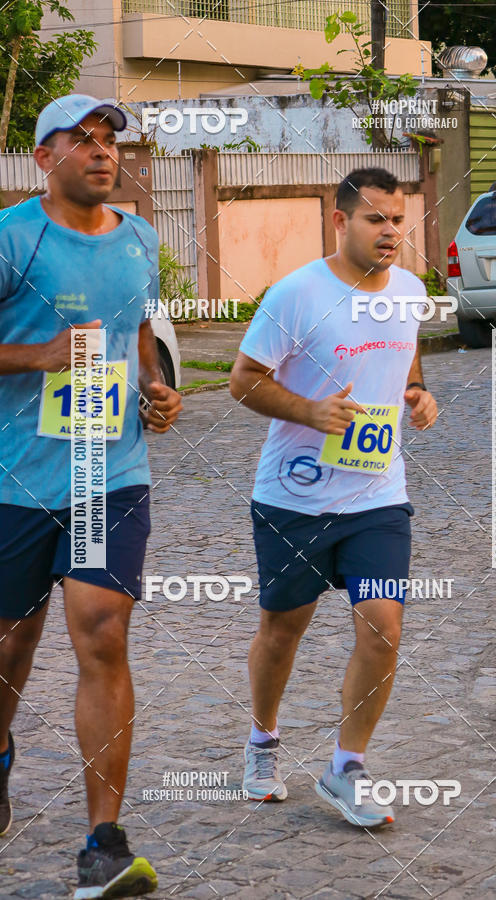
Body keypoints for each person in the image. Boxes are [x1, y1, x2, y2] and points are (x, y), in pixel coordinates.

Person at [0, 95, 182, 897]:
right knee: (11, 643)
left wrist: (157, 385)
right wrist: (38, 355)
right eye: (84, 140)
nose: (103, 153)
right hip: (15, 476)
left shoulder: (141, 236)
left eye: (111, 141)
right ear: (45, 158)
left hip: (107, 471)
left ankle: (103, 841)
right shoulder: (10, 238)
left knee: (102, 629)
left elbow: (140, 328)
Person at [230, 167, 438, 827]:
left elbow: (405, 362)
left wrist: (417, 396)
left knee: (384, 624)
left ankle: (346, 767)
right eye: (376, 219)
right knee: (283, 629)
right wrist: (309, 410)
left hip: (378, 496)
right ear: (341, 221)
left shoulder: (409, 290)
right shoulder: (295, 295)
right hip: (294, 497)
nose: (391, 232)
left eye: (398, 220)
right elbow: (242, 381)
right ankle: (262, 741)